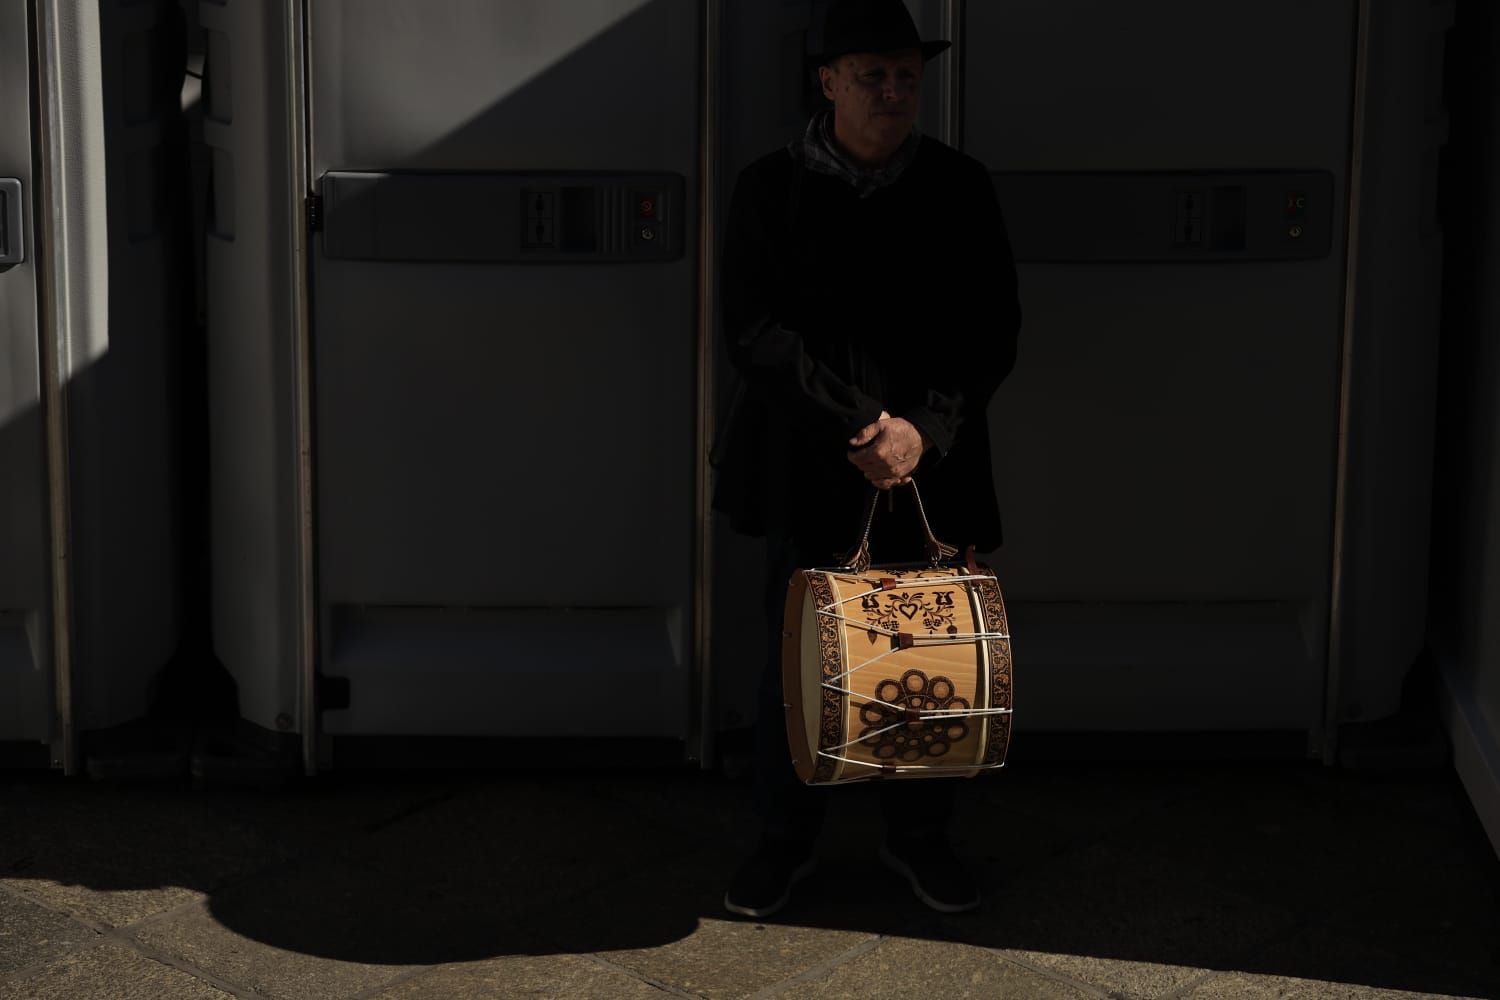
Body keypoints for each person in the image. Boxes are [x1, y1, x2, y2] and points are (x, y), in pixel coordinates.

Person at [713, 0, 1023, 919]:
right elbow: (755, 333)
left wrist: (923, 429)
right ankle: (785, 840)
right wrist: (863, 429)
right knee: (801, 659)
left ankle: (920, 838)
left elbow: (992, 329)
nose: (893, 92)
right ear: (829, 83)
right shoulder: (770, 188)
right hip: (811, 465)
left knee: (928, 650)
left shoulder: (961, 186)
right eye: (872, 75)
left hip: (936, 464)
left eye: (906, 76)